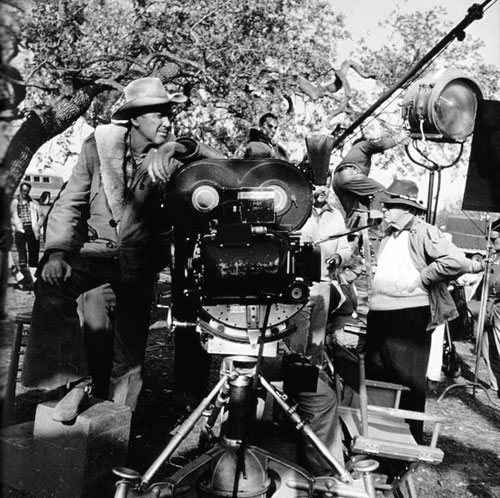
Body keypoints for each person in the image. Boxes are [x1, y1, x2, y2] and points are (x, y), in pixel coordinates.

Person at [21, 77, 223, 423]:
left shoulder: (171, 157)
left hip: (138, 264)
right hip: (96, 253)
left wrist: (179, 147)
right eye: (158, 114)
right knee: (54, 287)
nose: (166, 121)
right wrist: (56, 252)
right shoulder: (98, 146)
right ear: (134, 118)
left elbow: (222, 163)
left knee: (128, 354)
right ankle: (76, 381)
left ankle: (118, 429)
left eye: (168, 115)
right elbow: (71, 201)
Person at [365, 179, 483, 442]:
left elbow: (455, 261)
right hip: (380, 317)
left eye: (391, 205)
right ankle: (380, 439)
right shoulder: (387, 234)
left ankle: (409, 443)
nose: (384, 209)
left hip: (407, 319)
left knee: (408, 383)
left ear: (407, 209)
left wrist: (423, 277)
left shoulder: (424, 232)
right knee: (377, 378)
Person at [285, 184, 352, 475]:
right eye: (315, 188)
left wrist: (339, 258)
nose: (321, 193)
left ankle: (310, 409)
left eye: (325, 188)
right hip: (300, 287)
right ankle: (287, 413)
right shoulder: (296, 211)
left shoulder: (336, 216)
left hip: (324, 286)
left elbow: (346, 246)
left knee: (315, 347)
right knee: (294, 348)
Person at [331, 121, 409, 221]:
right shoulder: (363, 144)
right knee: (381, 191)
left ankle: (354, 231)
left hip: (337, 181)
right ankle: (374, 228)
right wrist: (397, 139)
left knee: (355, 212)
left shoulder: (355, 155)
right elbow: (379, 146)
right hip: (349, 175)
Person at [10, 182, 45, 290]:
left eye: (27, 191)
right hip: (20, 230)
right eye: (23, 191)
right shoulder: (14, 202)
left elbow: (42, 216)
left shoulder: (34, 203)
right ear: (20, 190)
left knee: (34, 254)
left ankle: (34, 281)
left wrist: (38, 225)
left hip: (32, 229)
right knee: (22, 255)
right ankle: (24, 280)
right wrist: (16, 225)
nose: (25, 193)